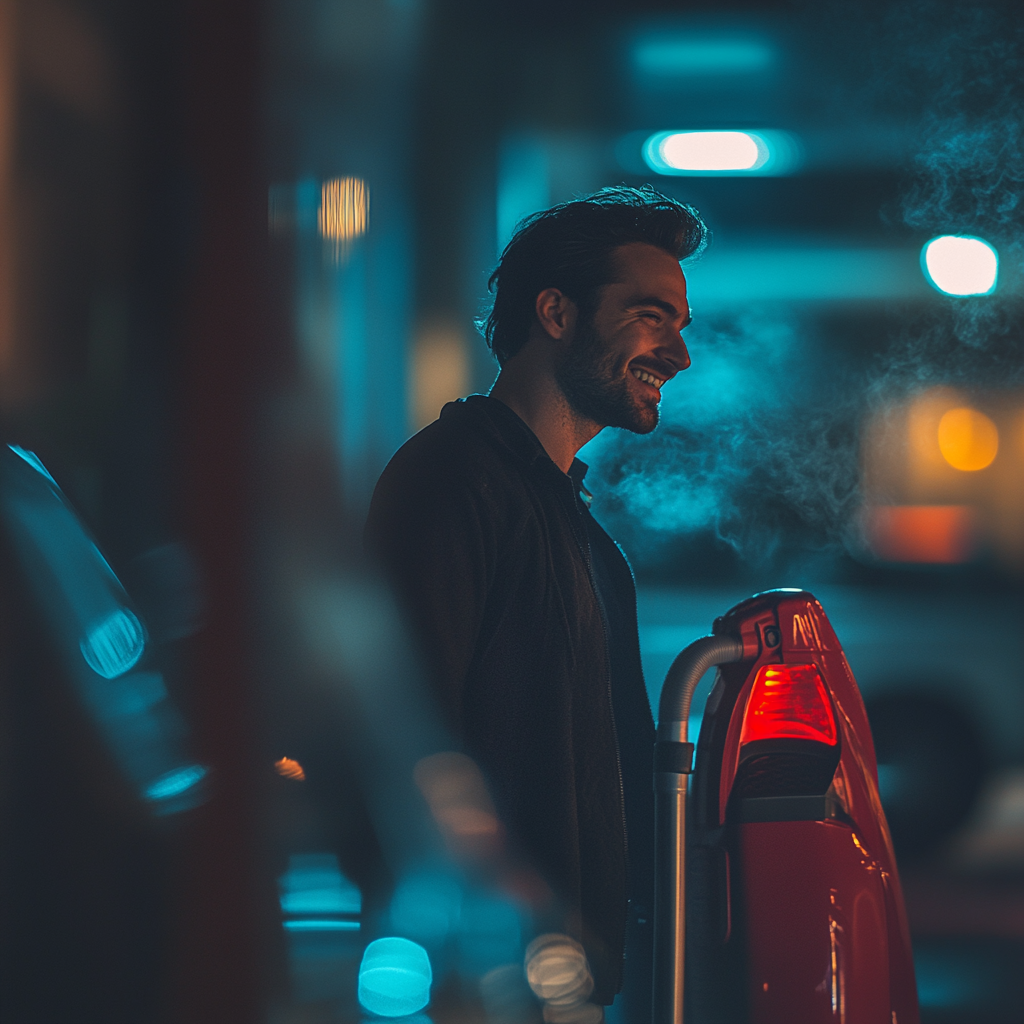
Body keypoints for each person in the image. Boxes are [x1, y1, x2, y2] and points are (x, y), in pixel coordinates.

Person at [365, 186, 706, 1019]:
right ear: (556, 312)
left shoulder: (568, 518)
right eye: (651, 316)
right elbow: (406, 751)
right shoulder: (452, 483)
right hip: (491, 984)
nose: (678, 353)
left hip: (560, 979)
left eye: (680, 323)